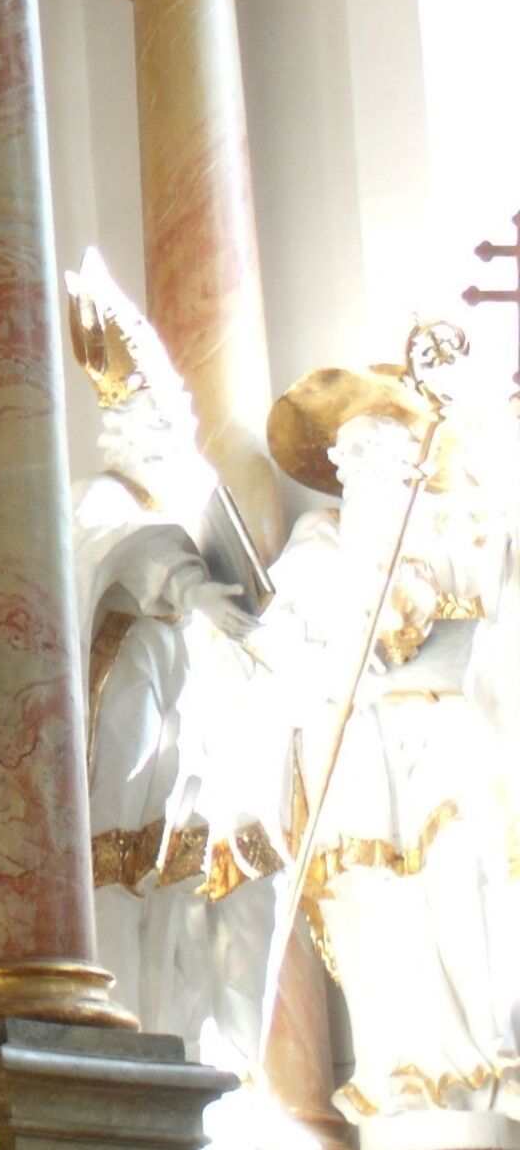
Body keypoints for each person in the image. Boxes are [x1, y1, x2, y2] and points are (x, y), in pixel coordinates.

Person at [249, 360, 520, 1132]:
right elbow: (282, 638)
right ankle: (401, 1067)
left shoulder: (451, 528)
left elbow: (486, 595)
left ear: (415, 458)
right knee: (374, 908)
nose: (370, 466)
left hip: (442, 736)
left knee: (462, 880)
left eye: (388, 451)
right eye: (352, 455)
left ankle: (485, 1059)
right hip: (357, 755)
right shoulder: (317, 541)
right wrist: (329, 647)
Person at [61, 251, 278, 1107]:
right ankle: (128, 1046)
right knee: (123, 870)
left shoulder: (172, 505)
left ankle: (193, 1052)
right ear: (131, 430)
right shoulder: (102, 496)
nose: (177, 445)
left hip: (186, 711)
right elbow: (117, 549)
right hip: (127, 707)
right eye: (163, 428)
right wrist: (190, 585)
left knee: (196, 880)